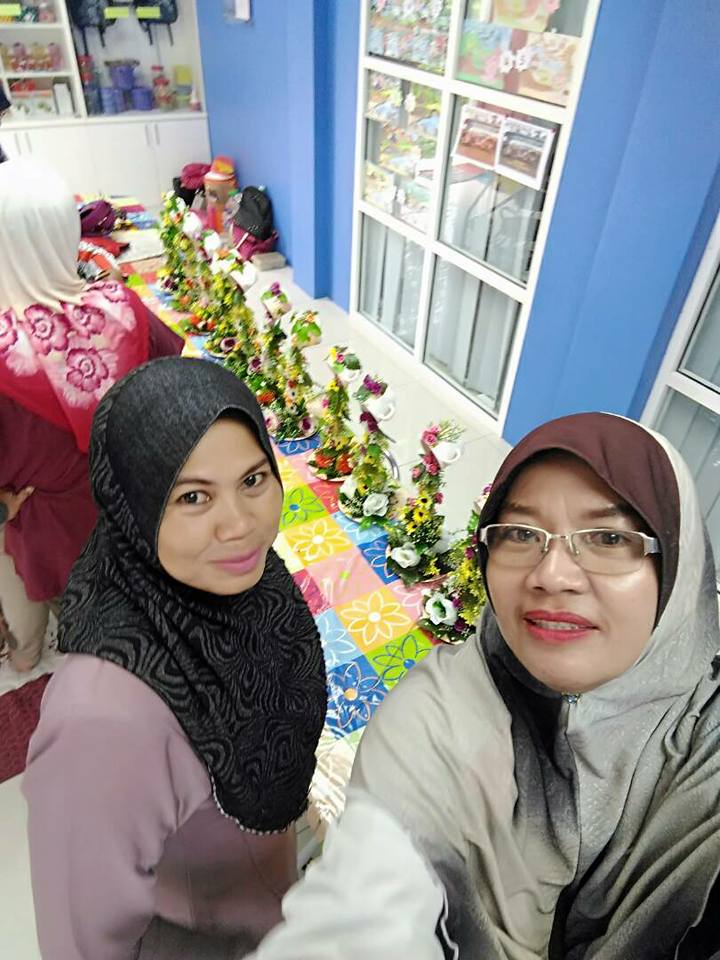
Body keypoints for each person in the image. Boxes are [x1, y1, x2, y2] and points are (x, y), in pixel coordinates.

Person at [240, 412, 720, 960]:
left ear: (680, 566)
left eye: (608, 537)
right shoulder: (436, 722)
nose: (552, 575)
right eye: (520, 533)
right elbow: (369, 909)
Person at [23, 357, 327, 960]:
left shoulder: (248, 585)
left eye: (253, 480)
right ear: (134, 505)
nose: (239, 524)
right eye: (192, 496)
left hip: (273, 908)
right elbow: (80, 942)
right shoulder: (103, 723)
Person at [0, 158, 182, 671]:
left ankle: (48, 657)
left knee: (68, 622)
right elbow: (175, 393)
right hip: (137, 513)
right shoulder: (123, 307)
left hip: (51, 535)